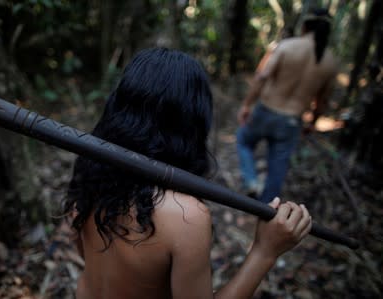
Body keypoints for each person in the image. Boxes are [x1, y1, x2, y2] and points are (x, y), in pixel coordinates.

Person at [65, 48, 312, 299]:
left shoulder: (89, 175)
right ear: (194, 124)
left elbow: (89, 256)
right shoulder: (185, 215)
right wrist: (264, 252)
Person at [236, 9, 339, 203]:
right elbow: (322, 101)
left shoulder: (287, 46)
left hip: (265, 110)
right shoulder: (330, 61)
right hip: (291, 121)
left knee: (243, 140)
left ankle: (250, 180)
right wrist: (313, 123)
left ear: (305, 26)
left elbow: (262, 76)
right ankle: (266, 210)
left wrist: (247, 104)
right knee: (278, 168)